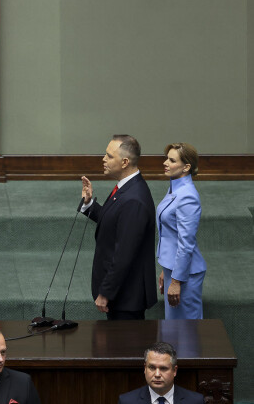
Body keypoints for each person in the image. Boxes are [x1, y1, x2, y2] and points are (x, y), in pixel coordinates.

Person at [80, 134, 157, 320]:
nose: (103, 159)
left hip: (126, 298)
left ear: (124, 162)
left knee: (124, 349)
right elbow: (115, 222)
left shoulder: (134, 199)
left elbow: (124, 253)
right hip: (122, 295)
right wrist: (89, 205)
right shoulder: (127, 189)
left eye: (109, 156)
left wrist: (105, 292)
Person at [157, 143, 205, 320]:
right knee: (172, 332)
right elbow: (171, 234)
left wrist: (176, 280)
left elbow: (186, 243)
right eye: (166, 158)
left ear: (186, 167)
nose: (165, 163)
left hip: (186, 276)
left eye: (171, 160)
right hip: (175, 270)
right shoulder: (175, 188)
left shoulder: (187, 196)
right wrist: (166, 269)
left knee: (186, 334)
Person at [118, 342, 204, 404]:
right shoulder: (127, 401)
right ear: (145, 368)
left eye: (163, 368)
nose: (157, 374)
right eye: (152, 368)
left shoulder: (195, 401)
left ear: (174, 370)